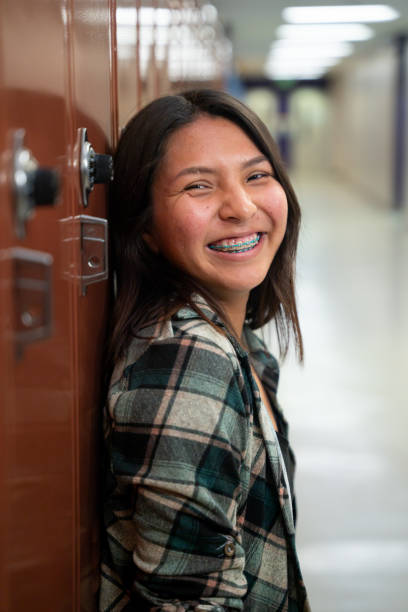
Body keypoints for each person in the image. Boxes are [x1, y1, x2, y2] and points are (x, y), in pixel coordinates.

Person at [99, 89, 310, 612]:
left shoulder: (243, 345)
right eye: (198, 186)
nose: (241, 207)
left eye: (257, 176)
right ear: (144, 227)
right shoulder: (189, 362)